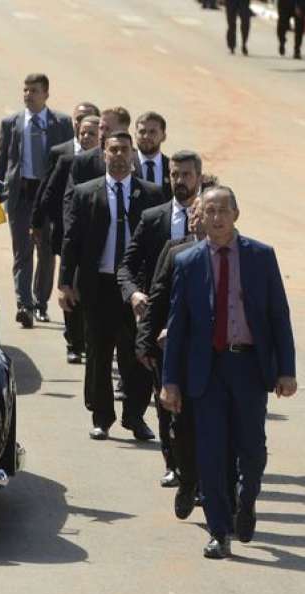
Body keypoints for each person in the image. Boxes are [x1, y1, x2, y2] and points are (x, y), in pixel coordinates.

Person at [162, 186, 297, 559]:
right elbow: (179, 325)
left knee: (251, 448)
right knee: (210, 451)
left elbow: (278, 317)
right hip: (206, 370)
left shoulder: (261, 257)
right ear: (199, 217)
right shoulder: (187, 262)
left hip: (249, 366)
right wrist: (170, 381)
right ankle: (219, 530)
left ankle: (247, 498)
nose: (217, 218)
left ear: (236, 213)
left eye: (223, 210)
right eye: (209, 211)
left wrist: (286, 370)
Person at [59, 132, 163, 441]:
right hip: (99, 286)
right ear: (104, 154)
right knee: (99, 354)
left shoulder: (152, 194)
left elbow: (160, 244)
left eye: (124, 150)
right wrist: (66, 283)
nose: (119, 155)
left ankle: (135, 416)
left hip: (137, 290)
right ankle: (101, 416)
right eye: (113, 150)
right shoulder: (85, 193)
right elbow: (71, 241)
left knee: (138, 354)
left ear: (133, 155)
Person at [119, 150, 202, 485]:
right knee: (166, 400)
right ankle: (174, 464)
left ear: (198, 177)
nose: (179, 181)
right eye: (174, 174)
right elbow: (126, 265)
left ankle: (200, 467)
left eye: (185, 175)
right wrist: (134, 293)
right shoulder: (154, 217)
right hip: (161, 327)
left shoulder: (210, 217)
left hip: (201, 331)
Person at [136, 179, 216, 520]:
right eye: (198, 212)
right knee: (181, 427)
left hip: (221, 356)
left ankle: (210, 489)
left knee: (217, 427)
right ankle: (186, 479)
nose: (203, 218)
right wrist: (145, 341)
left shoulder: (240, 255)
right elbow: (157, 298)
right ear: (192, 218)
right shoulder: (175, 251)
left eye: (211, 212)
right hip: (178, 353)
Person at [0, 73, 73, 328]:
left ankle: (40, 303)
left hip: (49, 195)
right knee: (22, 251)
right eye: (25, 90)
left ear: (46, 94)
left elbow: (69, 161)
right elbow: (2, 159)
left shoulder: (61, 123)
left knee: (47, 253)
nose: (28, 95)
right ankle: (23, 303)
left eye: (34, 90)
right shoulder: (12, 122)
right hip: (22, 193)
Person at [33, 109, 100, 364]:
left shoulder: (108, 164)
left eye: (92, 133)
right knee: (71, 288)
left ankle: (91, 337)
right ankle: (74, 343)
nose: (86, 137)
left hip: (100, 241)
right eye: (82, 132)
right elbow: (48, 194)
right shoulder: (68, 161)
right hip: (72, 238)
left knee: (93, 293)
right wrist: (50, 223)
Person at [134, 112, 172, 200]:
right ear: (135, 135)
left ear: (163, 136)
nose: (146, 136)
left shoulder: (171, 167)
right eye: (142, 132)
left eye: (152, 132)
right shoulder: (125, 165)